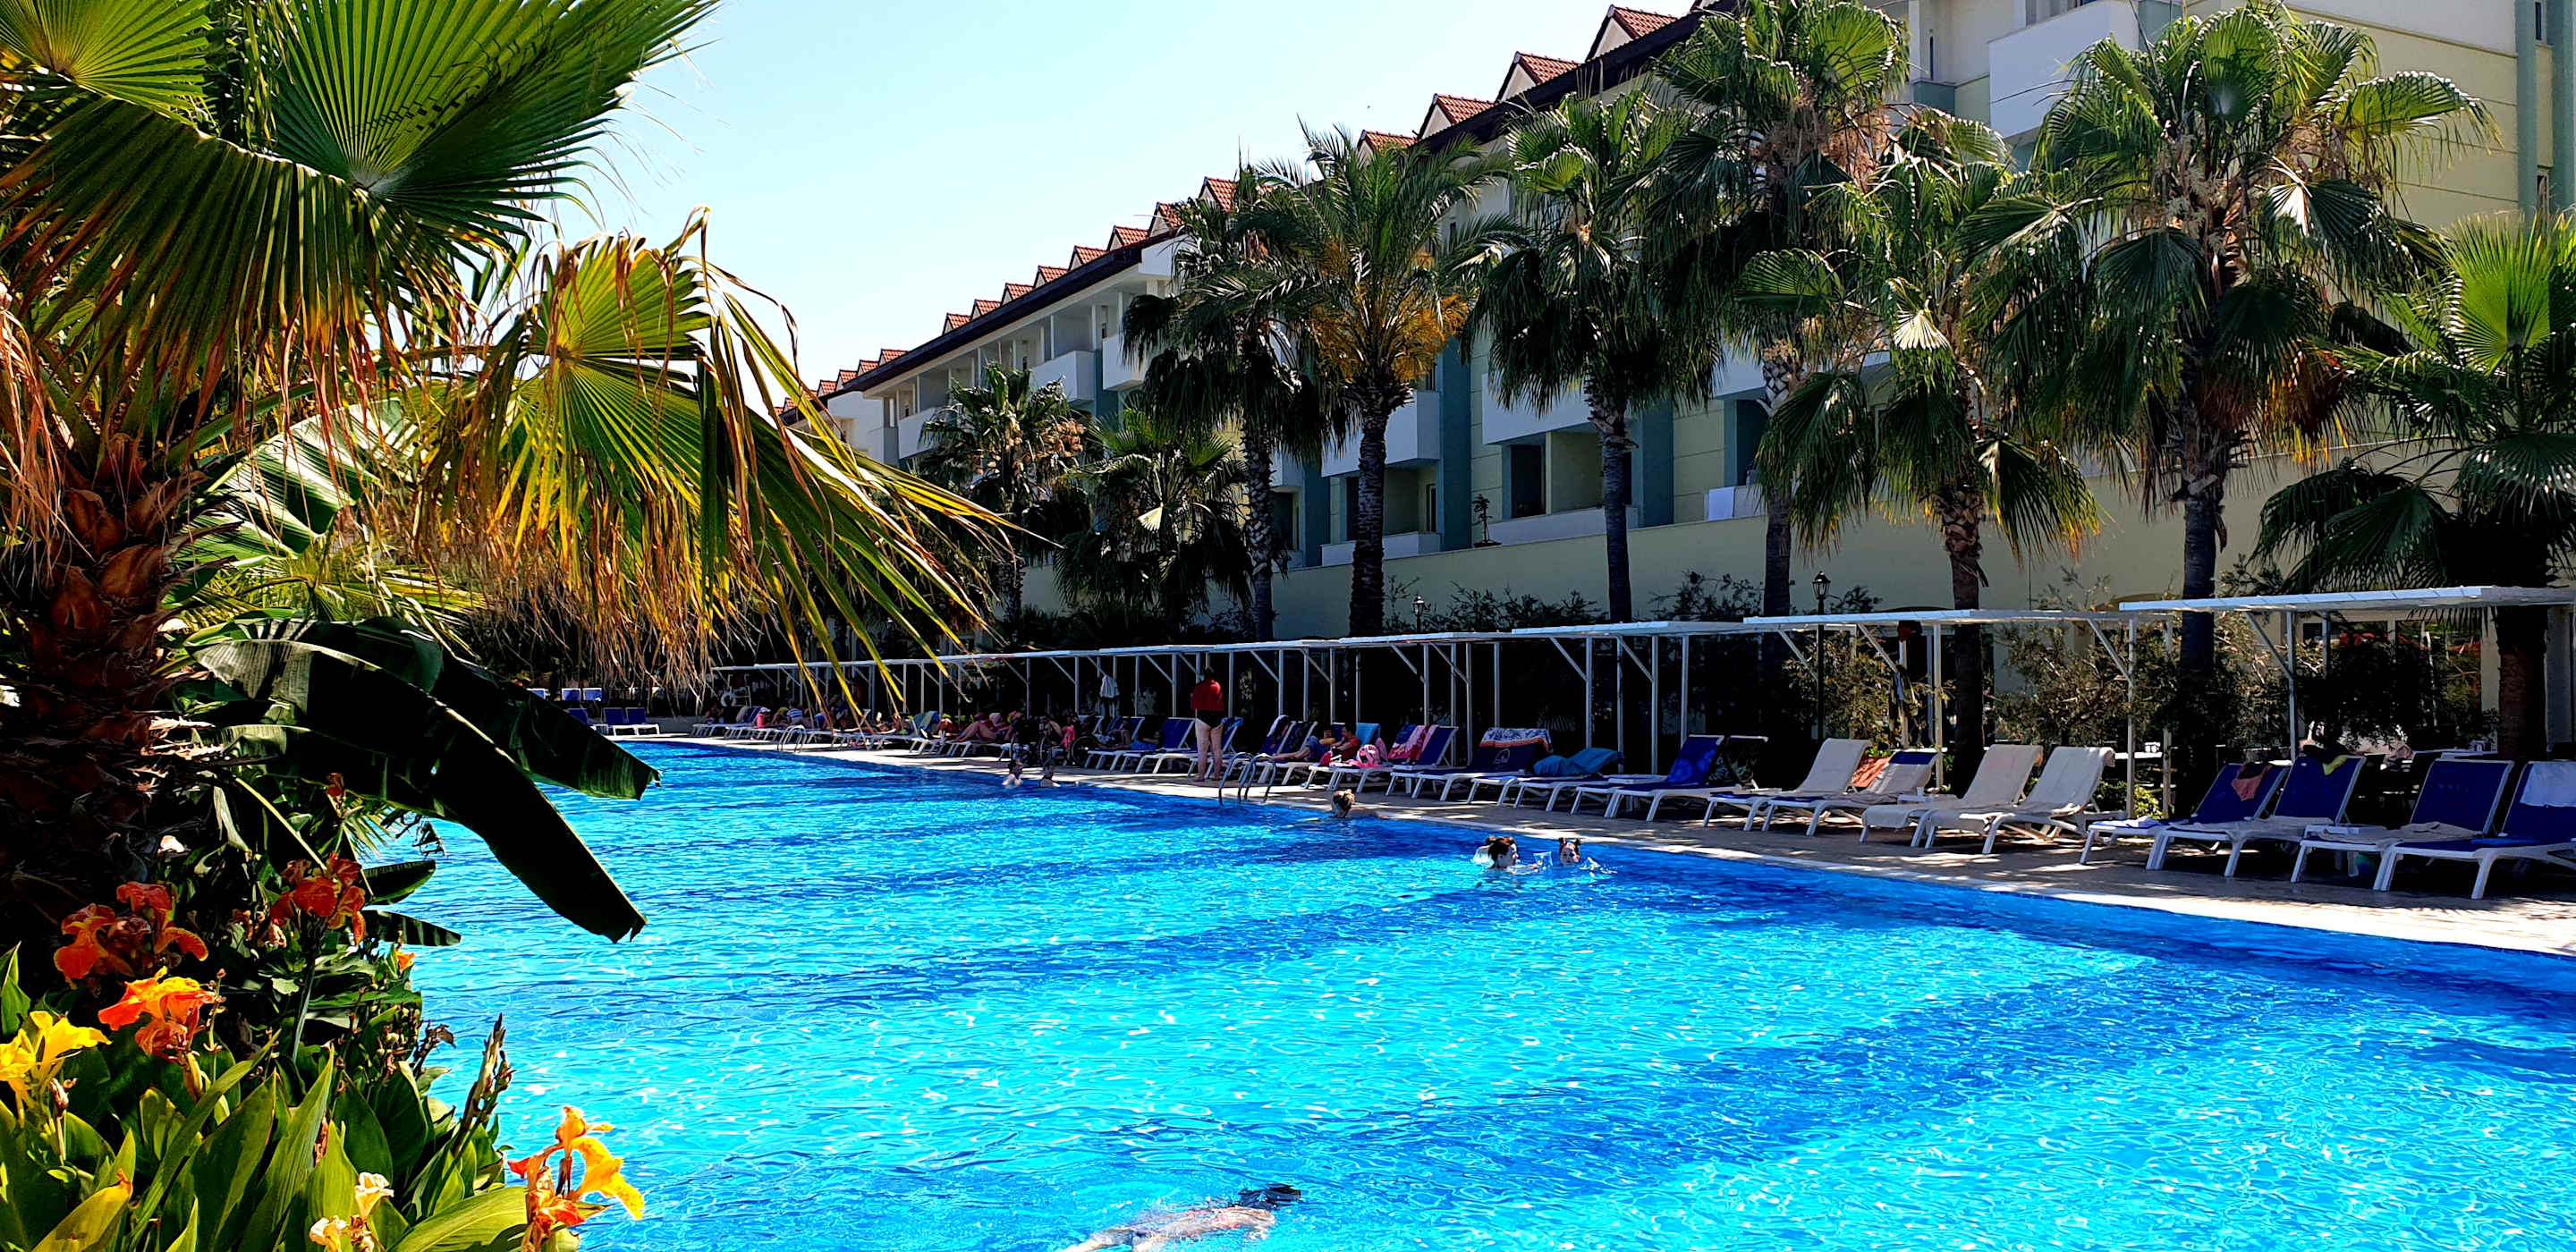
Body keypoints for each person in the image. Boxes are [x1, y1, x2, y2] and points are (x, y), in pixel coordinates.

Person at [1057, 1186, 1301, 1251]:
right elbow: (1253, 1240)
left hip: (1140, 1224)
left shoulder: (1217, 1203)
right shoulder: (1264, 1216)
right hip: (1159, 1236)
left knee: (1089, 1245)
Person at [1189, 670, 1225, 781]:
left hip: (1203, 717)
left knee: (1202, 749)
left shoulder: (1200, 686)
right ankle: (1217, 775)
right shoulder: (1217, 685)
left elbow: (1194, 704)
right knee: (1217, 749)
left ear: (1203, 676)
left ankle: (1201, 776)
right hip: (1217, 718)